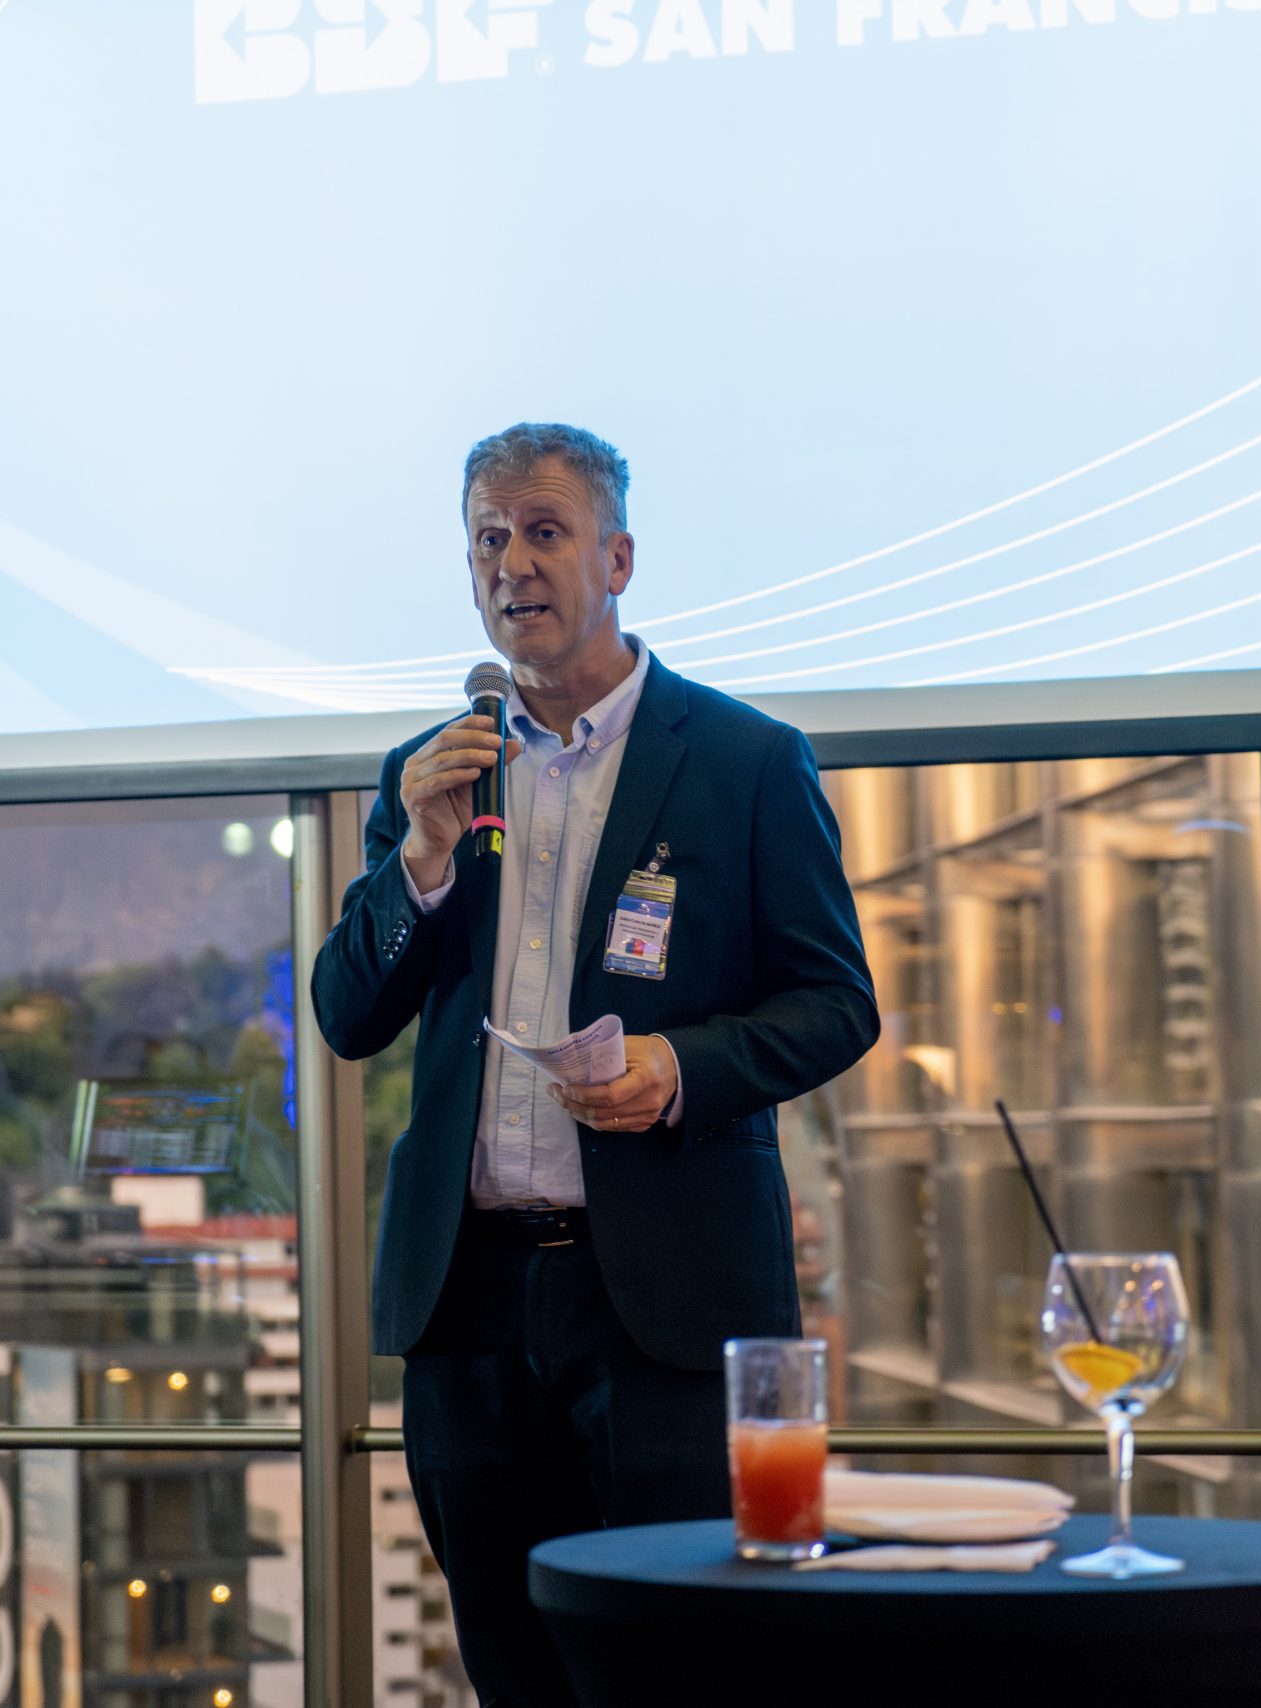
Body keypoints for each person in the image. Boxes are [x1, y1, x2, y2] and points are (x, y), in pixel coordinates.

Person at [312, 423, 879, 1705]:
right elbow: (347, 1014)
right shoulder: (430, 776)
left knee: (684, 1668)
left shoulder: (743, 760)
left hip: (661, 1310)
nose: (511, 562)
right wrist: (419, 860)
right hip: (469, 1309)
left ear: (617, 559)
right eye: (487, 539)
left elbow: (836, 1004)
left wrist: (676, 1066)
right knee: (513, 1670)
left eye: (544, 532)